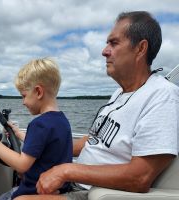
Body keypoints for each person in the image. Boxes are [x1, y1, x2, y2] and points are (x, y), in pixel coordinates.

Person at [14, 11, 179, 200]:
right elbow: (93, 141)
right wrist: (42, 153)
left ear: (140, 49)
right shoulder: (119, 94)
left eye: (114, 43)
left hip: (97, 193)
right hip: (76, 184)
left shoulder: (162, 95)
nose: (104, 51)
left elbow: (140, 177)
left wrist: (66, 171)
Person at [0, 58, 73, 199]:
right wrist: (18, 134)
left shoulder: (39, 124)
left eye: (24, 96)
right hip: (55, 191)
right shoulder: (61, 120)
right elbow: (44, 145)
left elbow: (21, 165)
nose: (23, 102)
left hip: (31, 192)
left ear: (38, 92)